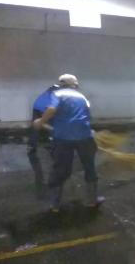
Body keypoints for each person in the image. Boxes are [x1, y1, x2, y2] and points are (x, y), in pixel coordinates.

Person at [33, 74, 102, 212]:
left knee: (60, 168)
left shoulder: (57, 94)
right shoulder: (82, 97)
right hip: (84, 136)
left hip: (62, 138)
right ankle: (92, 200)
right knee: (89, 166)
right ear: (75, 85)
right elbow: (87, 116)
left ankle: (54, 204)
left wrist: (41, 122)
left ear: (60, 84)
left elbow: (52, 109)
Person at [28, 83, 59, 198]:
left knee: (37, 128)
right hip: (43, 113)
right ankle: (49, 188)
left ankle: (33, 146)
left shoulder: (44, 96)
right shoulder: (51, 100)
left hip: (39, 113)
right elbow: (45, 122)